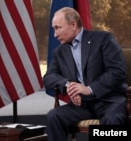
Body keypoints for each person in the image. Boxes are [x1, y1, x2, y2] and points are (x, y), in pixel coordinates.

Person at [43, 7, 128, 141]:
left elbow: (117, 72)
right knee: (54, 116)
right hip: (81, 105)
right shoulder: (59, 52)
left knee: (112, 121)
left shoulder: (103, 39)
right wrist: (69, 85)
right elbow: (49, 78)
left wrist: (89, 89)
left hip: (109, 101)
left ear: (73, 24)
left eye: (58, 28)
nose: (55, 34)